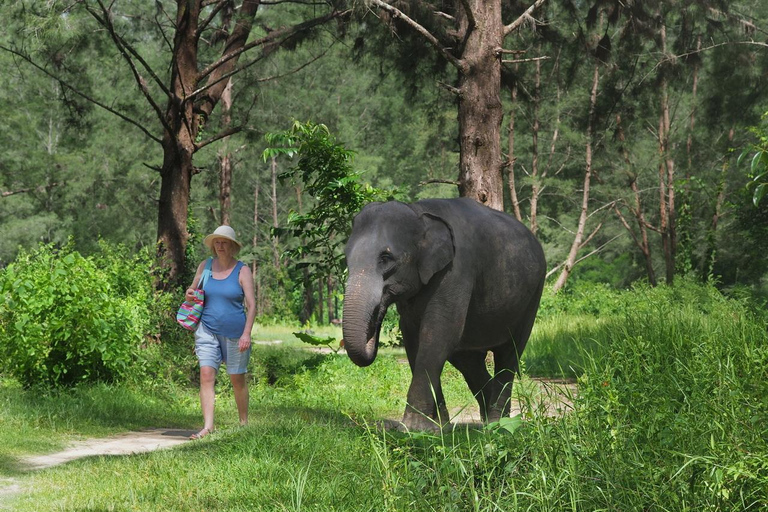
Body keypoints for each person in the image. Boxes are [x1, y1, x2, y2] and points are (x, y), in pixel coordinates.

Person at [186, 225, 256, 440]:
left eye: (224, 242)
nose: (220, 246)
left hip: (236, 333)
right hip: (206, 330)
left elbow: (252, 305)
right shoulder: (205, 266)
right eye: (217, 242)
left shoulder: (242, 270)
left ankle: (243, 423)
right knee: (206, 375)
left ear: (232, 246)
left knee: (237, 379)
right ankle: (208, 427)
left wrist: (246, 334)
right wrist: (189, 294)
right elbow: (192, 292)